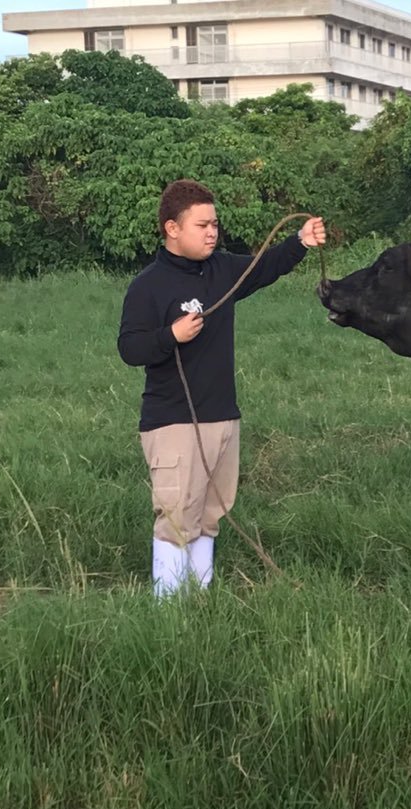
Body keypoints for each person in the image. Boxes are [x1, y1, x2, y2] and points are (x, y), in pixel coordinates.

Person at [118, 178, 325, 597]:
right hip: (173, 420)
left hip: (222, 417)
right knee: (177, 516)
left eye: (215, 224)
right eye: (202, 225)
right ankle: (169, 613)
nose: (212, 232)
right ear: (172, 229)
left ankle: (201, 601)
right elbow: (129, 347)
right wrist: (170, 336)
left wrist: (300, 242)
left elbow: (265, 267)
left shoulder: (223, 270)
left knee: (209, 513)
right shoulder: (148, 285)